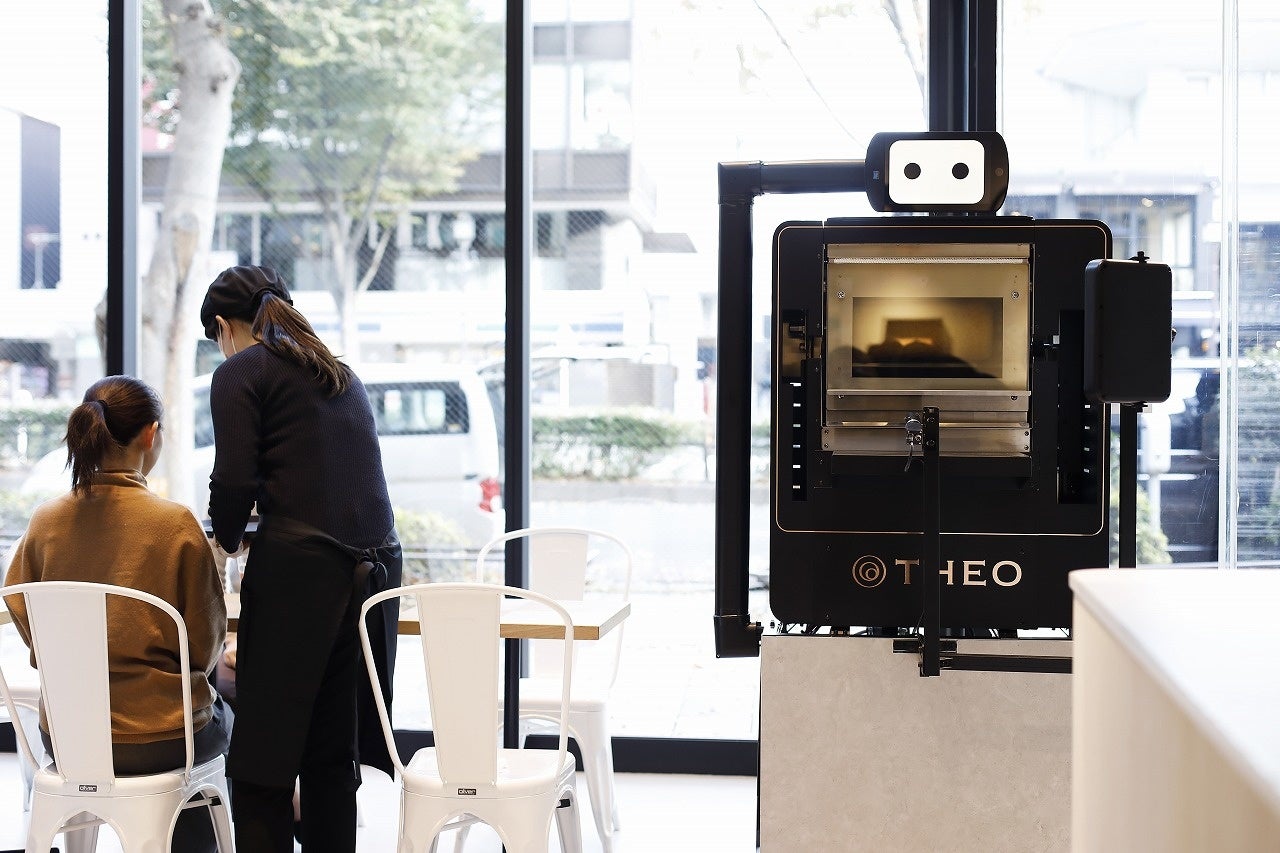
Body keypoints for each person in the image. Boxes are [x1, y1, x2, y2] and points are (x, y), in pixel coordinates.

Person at [200, 264, 402, 852]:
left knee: (262, 764)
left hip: (305, 574)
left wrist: (227, 536)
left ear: (223, 327)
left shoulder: (241, 371)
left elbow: (234, 482)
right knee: (330, 758)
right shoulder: (336, 370)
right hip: (374, 574)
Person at [3, 375, 232, 853]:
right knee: (229, 717)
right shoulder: (174, 524)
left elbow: (20, 603)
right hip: (161, 737)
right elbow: (203, 650)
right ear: (151, 434)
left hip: (68, 740)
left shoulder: (45, 521)